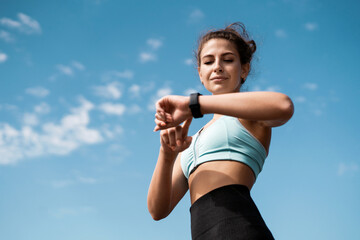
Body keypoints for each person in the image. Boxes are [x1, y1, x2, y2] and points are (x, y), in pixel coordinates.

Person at [147, 22, 294, 239]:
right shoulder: (192, 140)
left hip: (237, 228)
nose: (217, 66)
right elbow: (157, 210)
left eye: (227, 59)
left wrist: (194, 105)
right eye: (208, 61)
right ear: (200, 73)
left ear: (244, 68)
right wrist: (167, 155)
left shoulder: (249, 115)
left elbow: (283, 106)